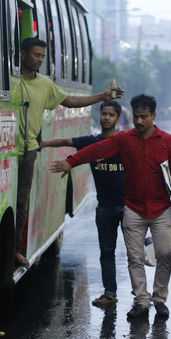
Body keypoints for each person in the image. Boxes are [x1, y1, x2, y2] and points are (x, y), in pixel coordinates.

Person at [50, 94, 171, 321]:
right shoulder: (124, 139)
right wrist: (71, 161)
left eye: (144, 117)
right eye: (136, 117)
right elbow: (96, 150)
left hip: (161, 209)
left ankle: (159, 299)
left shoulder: (167, 141)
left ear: (153, 116)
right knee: (134, 257)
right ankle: (142, 301)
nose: (139, 121)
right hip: (133, 209)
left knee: (164, 254)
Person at [14, 37, 124, 269]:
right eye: (36, 55)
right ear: (22, 54)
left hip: (28, 152)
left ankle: (14, 250)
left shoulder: (44, 85)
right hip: (3, 150)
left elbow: (71, 100)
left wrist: (102, 97)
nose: (40, 60)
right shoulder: (10, 80)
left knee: (20, 203)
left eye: (42, 56)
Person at [40, 100, 126, 308]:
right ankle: (109, 292)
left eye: (111, 115)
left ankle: (142, 295)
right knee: (107, 252)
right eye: (103, 114)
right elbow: (66, 141)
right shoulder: (91, 141)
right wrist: (43, 144)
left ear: (117, 118)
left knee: (135, 253)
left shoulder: (125, 142)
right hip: (104, 208)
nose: (106, 118)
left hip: (128, 207)